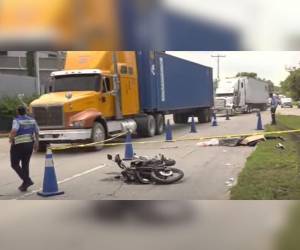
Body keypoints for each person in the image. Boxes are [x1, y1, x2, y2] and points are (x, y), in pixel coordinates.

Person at [9, 106, 39, 192]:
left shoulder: (17, 120)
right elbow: (36, 131)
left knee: (14, 164)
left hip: (18, 145)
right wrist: (37, 142)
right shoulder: (32, 120)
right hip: (29, 144)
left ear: (18, 112)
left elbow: (14, 131)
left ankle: (27, 180)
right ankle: (25, 185)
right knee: (25, 164)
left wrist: (10, 138)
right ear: (25, 111)